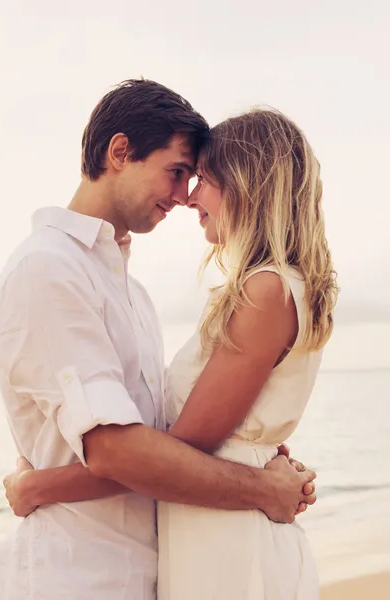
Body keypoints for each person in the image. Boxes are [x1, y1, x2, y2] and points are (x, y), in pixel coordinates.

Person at [0, 80, 316, 600]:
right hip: (79, 576)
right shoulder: (47, 269)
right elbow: (117, 450)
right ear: (120, 152)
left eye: (195, 177)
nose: (185, 196)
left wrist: (255, 448)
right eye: (178, 171)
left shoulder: (132, 293)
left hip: (152, 572)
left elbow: (169, 438)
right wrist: (261, 487)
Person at [157, 108, 338, 599]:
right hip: (221, 533)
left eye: (206, 180)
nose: (191, 196)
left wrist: (47, 487)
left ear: (246, 185)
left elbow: (184, 449)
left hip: (230, 546)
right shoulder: (278, 288)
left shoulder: (267, 290)